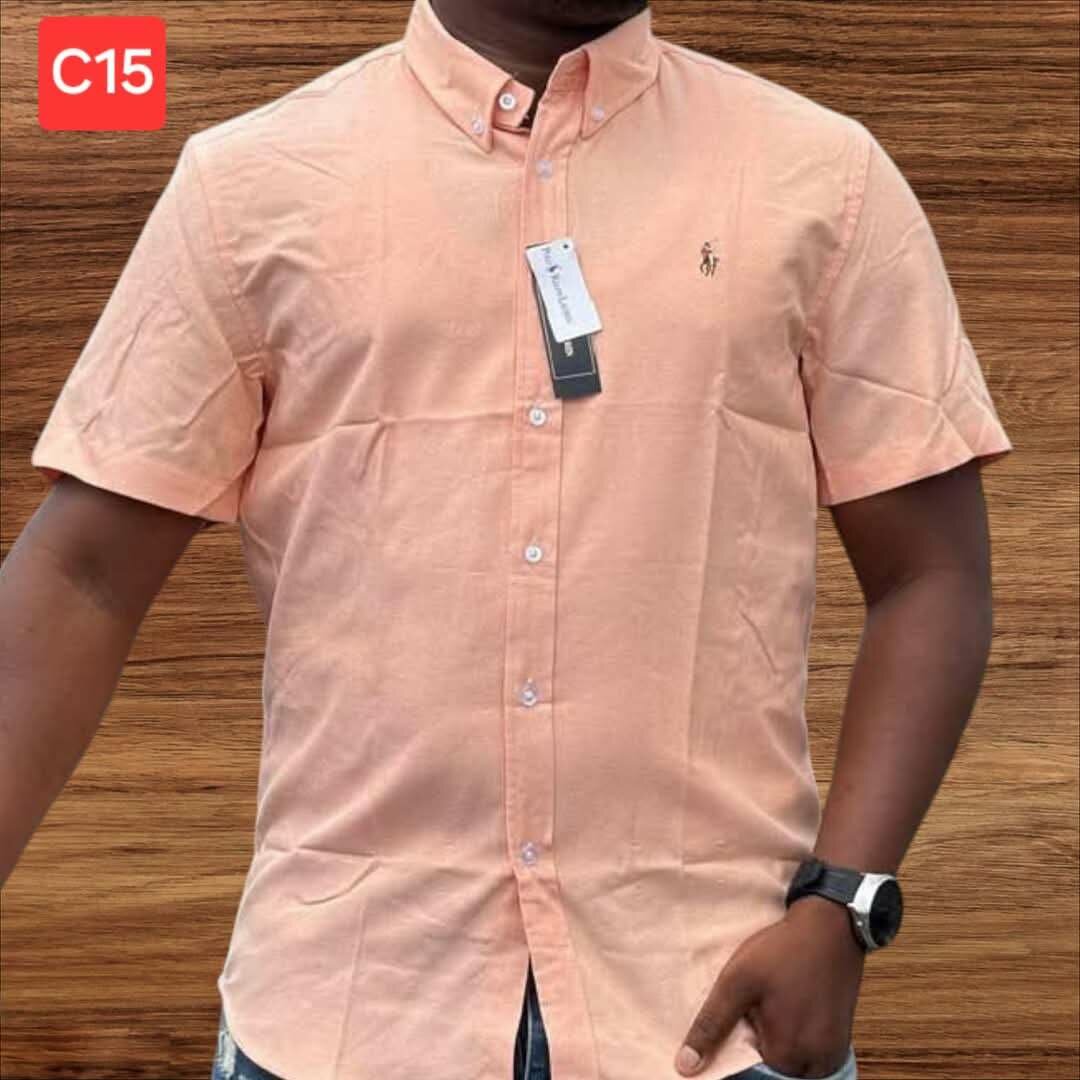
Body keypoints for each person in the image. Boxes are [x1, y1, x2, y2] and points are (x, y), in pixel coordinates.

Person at [0, 0, 1014, 1077]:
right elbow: (83, 577)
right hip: (348, 1007)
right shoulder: (249, 185)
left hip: (712, 1007)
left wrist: (845, 903)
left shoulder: (823, 179)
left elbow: (931, 575)